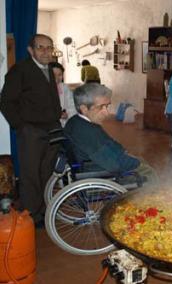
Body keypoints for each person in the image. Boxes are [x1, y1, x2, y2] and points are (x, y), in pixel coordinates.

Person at [0, 34, 61, 227]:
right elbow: (6, 101)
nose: (45, 52)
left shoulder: (50, 69)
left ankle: (44, 211)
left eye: (49, 48)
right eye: (40, 47)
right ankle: (31, 216)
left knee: (47, 173)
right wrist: (21, 126)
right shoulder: (20, 70)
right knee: (30, 175)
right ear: (30, 50)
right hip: (31, 132)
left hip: (52, 130)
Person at [64, 83, 157, 184]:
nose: (107, 112)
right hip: (100, 171)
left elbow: (108, 142)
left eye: (107, 106)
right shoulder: (88, 132)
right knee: (149, 172)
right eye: (101, 107)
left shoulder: (77, 121)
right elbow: (113, 165)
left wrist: (122, 151)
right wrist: (135, 162)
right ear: (84, 108)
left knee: (139, 160)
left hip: (97, 163)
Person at [49, 62, 77, 126]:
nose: (57, 78)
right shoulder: (40, 89)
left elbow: (72, 106)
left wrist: (67, 114)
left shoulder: (64, 88)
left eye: (60, 74)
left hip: (63, 124)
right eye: (53, 74)